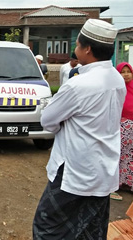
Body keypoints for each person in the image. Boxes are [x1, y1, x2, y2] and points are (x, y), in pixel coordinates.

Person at [32, 19, 126, 239]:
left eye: (77, 44)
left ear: (87, 49)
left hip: (75, 170)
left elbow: (47, 120)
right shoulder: (117, 79)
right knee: (90, 228)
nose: (75, 49)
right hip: (104, 169)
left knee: (48, 227)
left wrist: (65, 122)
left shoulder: (78, 85)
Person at [112, 62, 133, 200]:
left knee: (130, 156)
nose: (126, 74)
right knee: (117, 155)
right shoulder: (116, 90)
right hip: (120, 127)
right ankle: (113, 186)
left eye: (128, 71)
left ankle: (128, 183)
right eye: (122, 72)